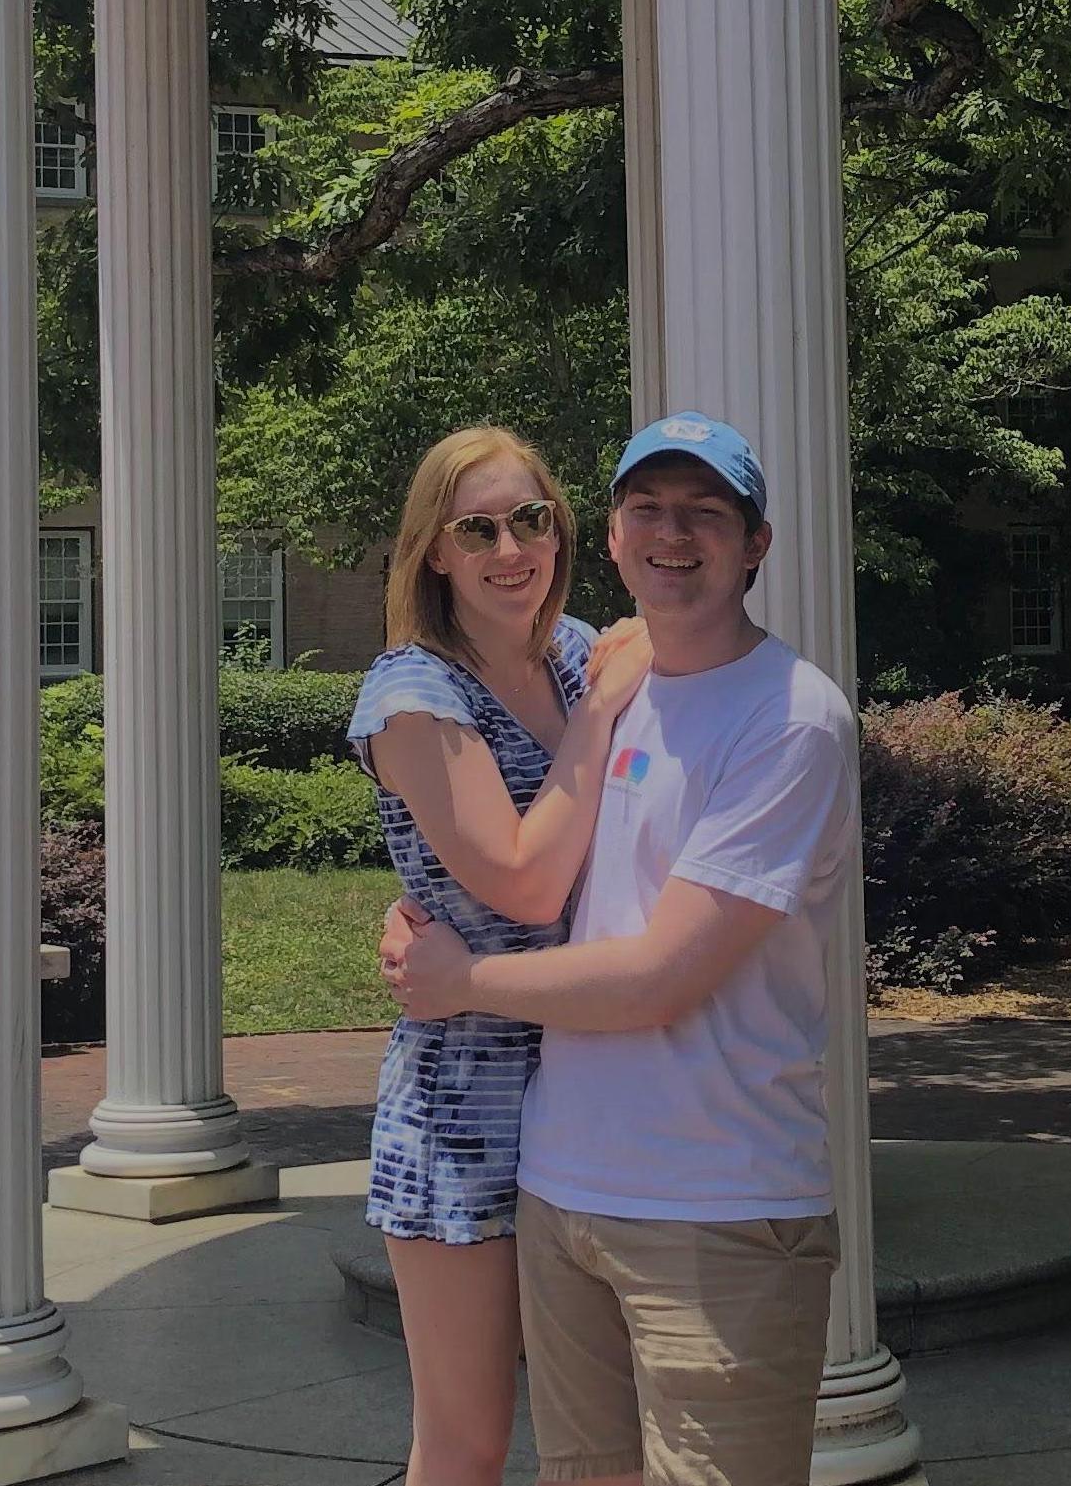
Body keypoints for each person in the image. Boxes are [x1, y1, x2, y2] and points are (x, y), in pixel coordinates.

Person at [387, 412, 860, 1486]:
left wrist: (460, 979)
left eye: (704, 511)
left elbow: (658, 974)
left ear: (756, 542)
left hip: (717, 1201)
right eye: (646, 507)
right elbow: (521, 852)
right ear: (607, 535)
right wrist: (417, 902)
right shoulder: (600, 683)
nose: (672, 532)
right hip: (561, 1191)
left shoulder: (791, 717)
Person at [349, 425, 652, 1486]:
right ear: (433, 549)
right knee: (468, 1440)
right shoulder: (411, 692)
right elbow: (521, 879)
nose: (509, 546)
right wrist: (604, 713)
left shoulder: (576, 654)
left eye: (529, 517)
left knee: (603, 1432)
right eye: (474, 526)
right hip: (466, 1097)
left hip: (591, 1078)